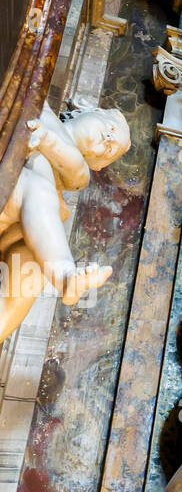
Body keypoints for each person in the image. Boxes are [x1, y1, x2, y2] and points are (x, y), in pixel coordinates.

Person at [0, 102, 130, 343]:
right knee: (38, 189)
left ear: (98, 164)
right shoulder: (43, 108)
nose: (108, 139)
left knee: (34, 267)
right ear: (84, 108)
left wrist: (46, 140)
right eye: (110, 128)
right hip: (12, 180)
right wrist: (46, 136)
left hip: (11, 217)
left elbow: (74, 166)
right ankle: (65, 274)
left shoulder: (78, 173)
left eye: (110, 148)